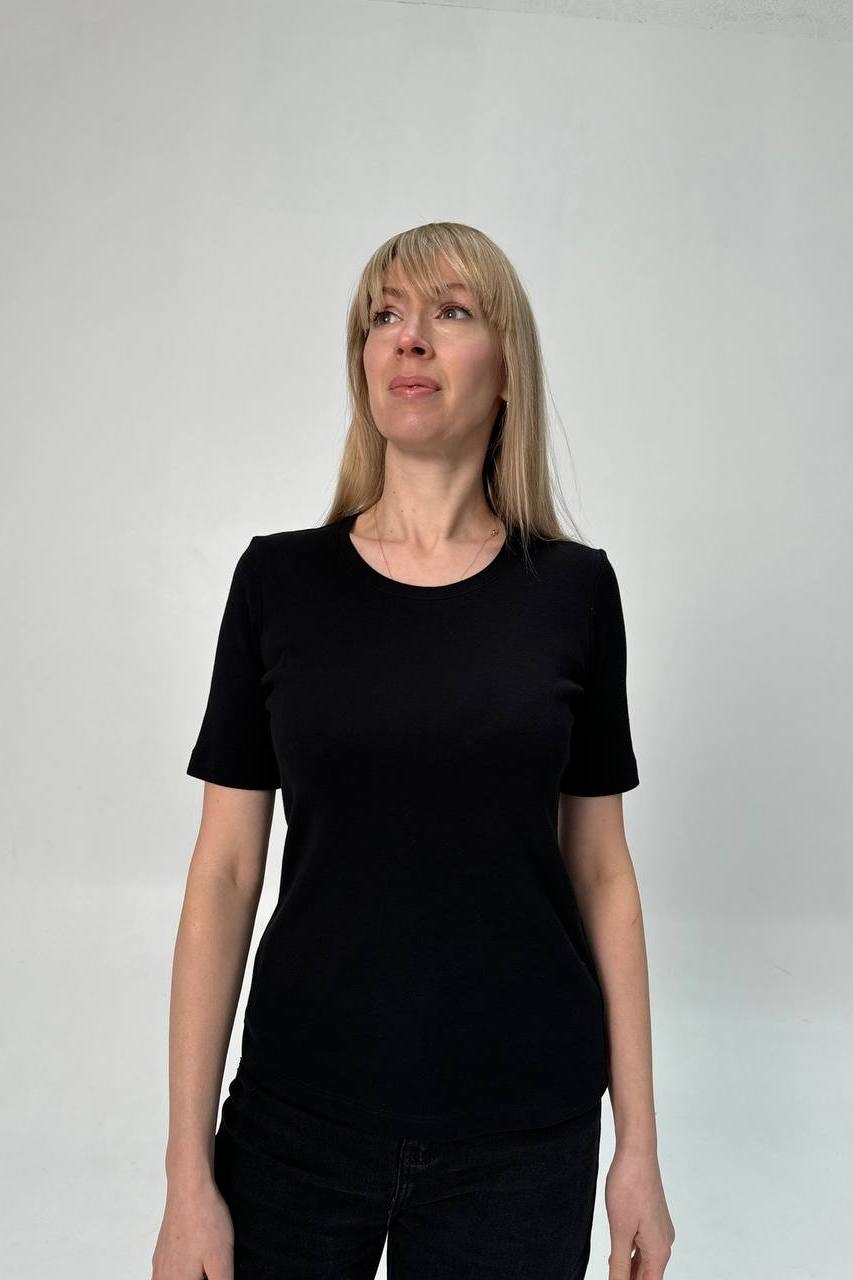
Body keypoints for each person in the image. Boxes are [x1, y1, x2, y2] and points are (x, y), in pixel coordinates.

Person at [151, 221, 675, 1280]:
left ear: (507, 370)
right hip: (295, 1127)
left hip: (520, 1139)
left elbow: (602, 873)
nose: (409, 337)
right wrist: (186, 1174)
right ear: (362, 364)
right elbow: (224, 874)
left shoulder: (573, 592)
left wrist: (638, 1151)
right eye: (384, 315)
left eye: (451, 311)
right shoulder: (278, 584)